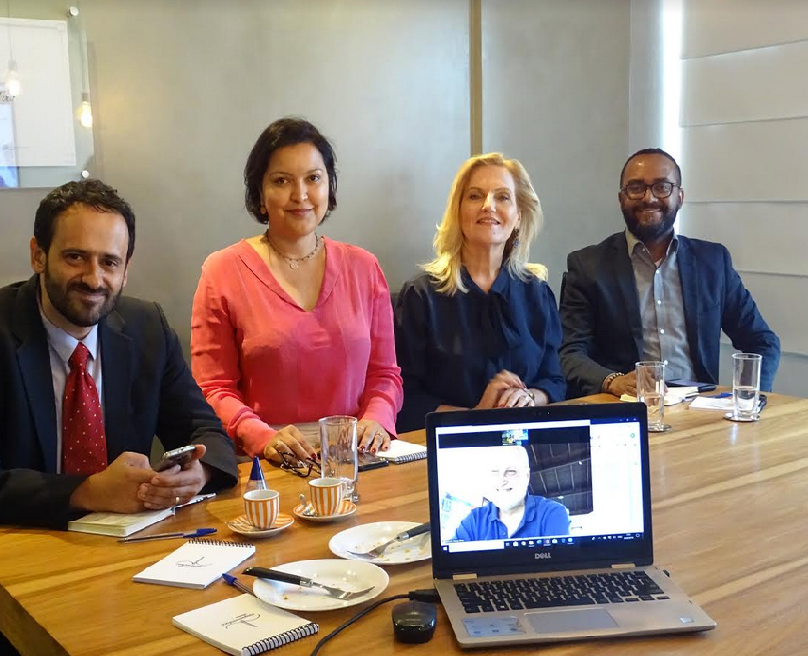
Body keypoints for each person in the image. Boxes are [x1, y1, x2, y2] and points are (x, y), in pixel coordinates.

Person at [0, 179, 238, 656]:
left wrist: (200, 470)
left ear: (126, 269)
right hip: (4, 580)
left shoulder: (147, 326)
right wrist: (87, 491)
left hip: (123, 566)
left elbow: (205, 428)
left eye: (109, 262)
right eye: (75, 257)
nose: (93, 277)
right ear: (37, 255)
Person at [190, 117, 403, 463]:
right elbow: (214, 389)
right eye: (281, 181)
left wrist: (377, 420)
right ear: (260, 195)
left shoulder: (364, 267)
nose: (300, 194)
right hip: (266, 466)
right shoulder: (222, 272)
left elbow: (385, 375)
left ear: (329, 188)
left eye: (313, 179)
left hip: (356, 461)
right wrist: (262, 436)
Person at [559, 148, 781, 398]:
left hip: (701, 410)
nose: (649, 198)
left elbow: (762, 341)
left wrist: (747, 397)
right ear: (621, 198)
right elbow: (569, 353)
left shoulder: (712, 263)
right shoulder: (588, 265)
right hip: (627, 409)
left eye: (662, 187)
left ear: (680, 196)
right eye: (636, 188)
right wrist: (613, 381)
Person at [394, 153, 565, 433]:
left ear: (519, 216)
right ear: (458, 212)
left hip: (526, 442)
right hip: (448, 447)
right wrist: (476, 416)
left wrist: (529, 398)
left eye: (502, 197)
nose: (489, 206)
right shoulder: (421, 296)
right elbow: (404, 400)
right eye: (475, 196)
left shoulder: (538, 293)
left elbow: (555, 381)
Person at [453, 445, 570, 541]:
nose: (501, 480)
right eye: (495, 472)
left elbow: (556, 566)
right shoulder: (474, 520)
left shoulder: (552, 513)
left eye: (510, 471)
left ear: (526, 476)